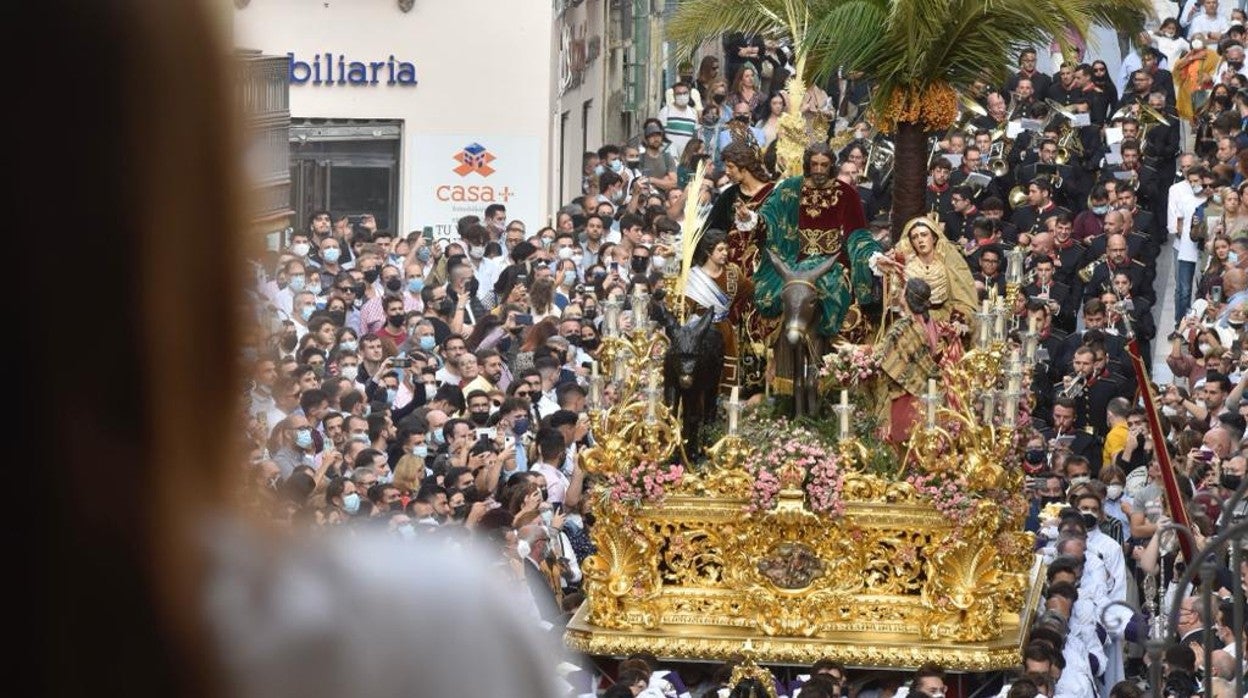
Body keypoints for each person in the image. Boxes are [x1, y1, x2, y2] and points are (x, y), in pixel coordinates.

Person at [738, 143, 892, 339]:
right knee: (761, 309)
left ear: (832, 166)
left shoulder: (847, 194)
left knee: (840, 305)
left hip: (831, 265)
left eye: (824, 165)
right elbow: (770, 218)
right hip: (791, 261)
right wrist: (751, 219)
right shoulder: (789, 189)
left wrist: (873, 257)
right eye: (814, 164)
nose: (819, 170)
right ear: (807, 165)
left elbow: (858, 235)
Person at [875, 277, 965, 442]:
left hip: (906, 394)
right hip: (926, 389)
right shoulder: (930, 321)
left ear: (907, 296)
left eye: (904, 290)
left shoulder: (903, 327)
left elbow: (883, 357)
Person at [684, 230, 755, 392]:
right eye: (720, 250)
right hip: (700, 331)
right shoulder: (693, 277)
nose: (725, 253)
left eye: (726, 249)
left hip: (725, 331)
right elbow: (684, 309)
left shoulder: (733, 272)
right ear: (709, 251)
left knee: (726, 378)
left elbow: (750, 291)